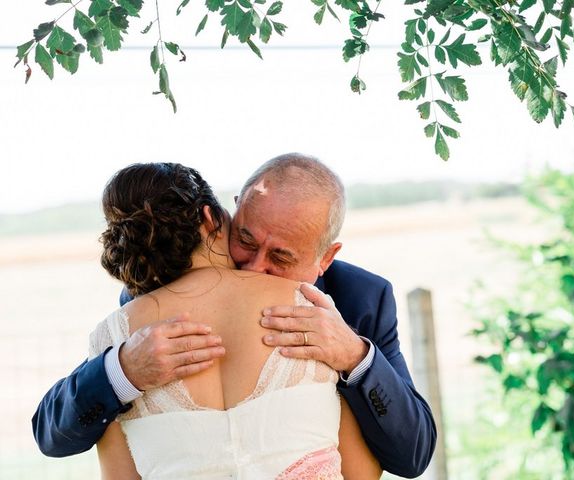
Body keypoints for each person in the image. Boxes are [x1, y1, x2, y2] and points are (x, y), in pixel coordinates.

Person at [33, 154, 436, 477]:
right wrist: (120, 372)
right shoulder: (145, 301)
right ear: (231, 212)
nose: (255, 267)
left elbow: (412, 456)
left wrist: (354, 356)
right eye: (245, 239)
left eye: (281, 257)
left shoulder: (362, 299)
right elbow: (53, 435)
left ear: (325, 258)